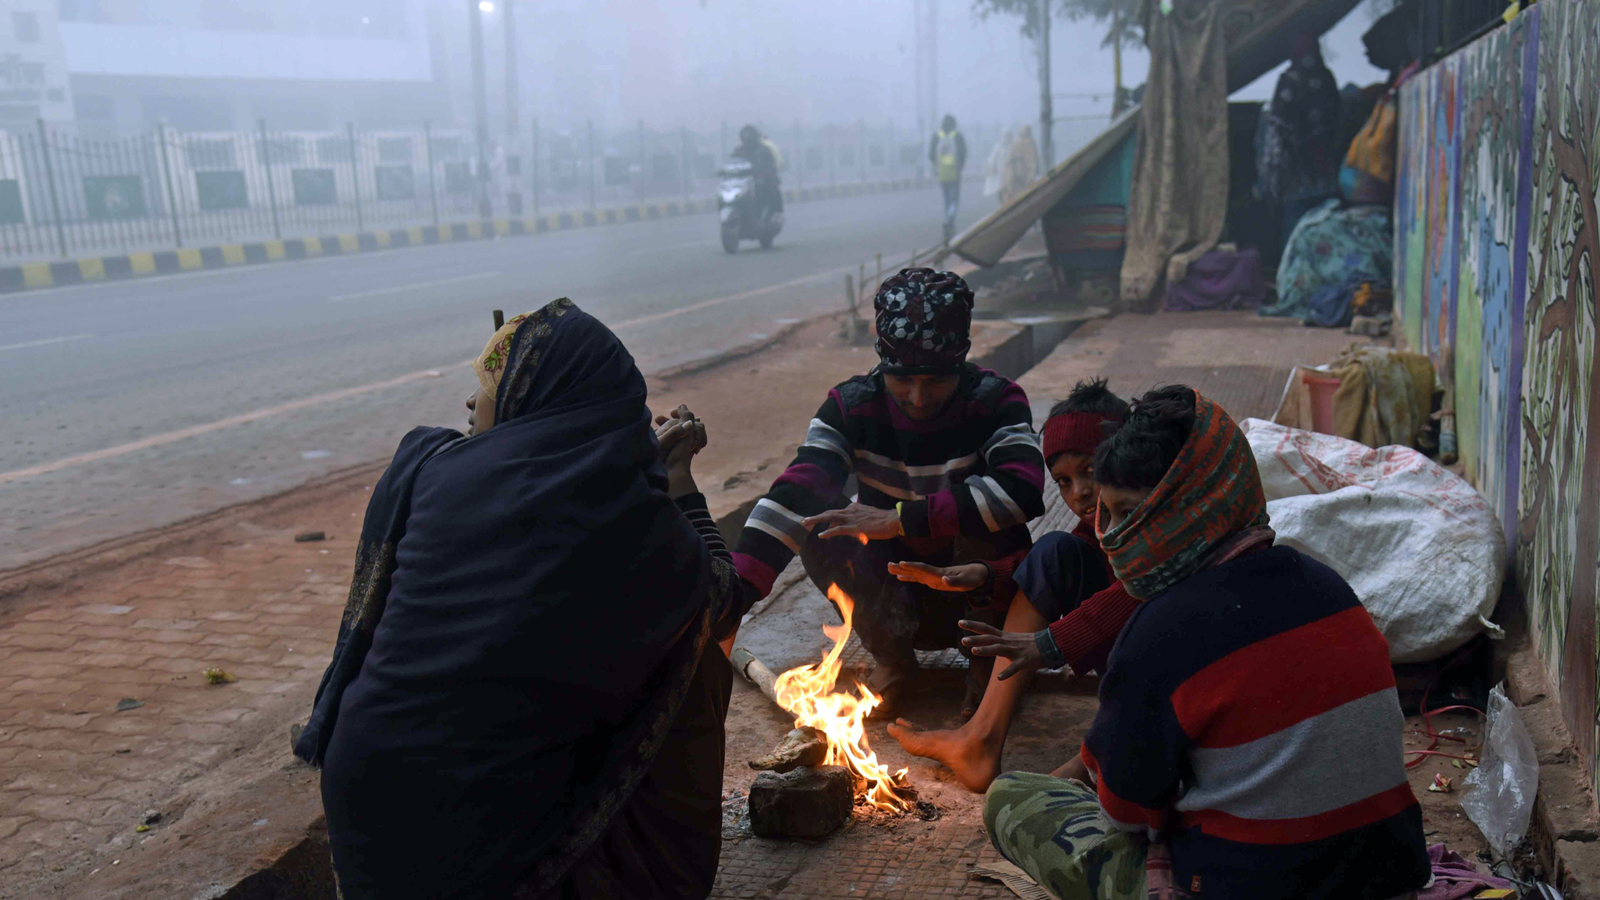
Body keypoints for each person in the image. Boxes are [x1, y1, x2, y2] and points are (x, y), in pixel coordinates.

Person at [293, 299, 757, 900]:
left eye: (486, 389)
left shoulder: (431, 465)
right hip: (471, 832)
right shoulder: (632, 523)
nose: (470, 405)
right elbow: (722, 600)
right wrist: (678, 482)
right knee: (694, 659)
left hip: (369, 807)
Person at [983, 386, 1431, 900]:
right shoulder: (1327, 584)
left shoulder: (1159, 631)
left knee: (1013, 796)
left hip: (1245, 885)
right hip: (1386, 878)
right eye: (1109, 514)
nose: (1112, 535)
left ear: (1185, 501)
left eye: (1130, 511)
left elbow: (1126, 811)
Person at [731, 267, 1046, 719]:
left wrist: (900, 519)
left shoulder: (996, 401)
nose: (918, 398)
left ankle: (985, 661)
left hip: (978, 591)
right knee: (823, 528)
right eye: (903, 379)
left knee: (991, 524)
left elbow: (1023, 490)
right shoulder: (850, 407)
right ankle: (895, 661)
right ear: (881, 363)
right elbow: (799, 490)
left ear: (961, 361)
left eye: (936, 380)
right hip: (895, 596)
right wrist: (736, 593)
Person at [889, 378, 1140, 792]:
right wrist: (987, 573)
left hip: (1175, 667)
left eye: (1091, 471)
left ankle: (1084, 770)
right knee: (1054, 550)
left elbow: (1139, 594)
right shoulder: (1099, 523)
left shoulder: (1159, 519)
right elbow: (1064, 556)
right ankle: (981, 739)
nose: (1078, 493)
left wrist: (1051, 643)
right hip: (1133, 655)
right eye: (1062, 480)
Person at [929, 114, 968, 243]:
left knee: (946, 200)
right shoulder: (957, 136)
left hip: (942, 173)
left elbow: (930, 155)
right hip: (954, 173)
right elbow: (963, 153)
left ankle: (947, 219)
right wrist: (960, 167)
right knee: (954, 200)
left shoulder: (937, 136)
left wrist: (937, 165)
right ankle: (949, 220)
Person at [731, 124, 784, 217]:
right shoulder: (739, 150)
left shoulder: (764, 148)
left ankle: (776, 213)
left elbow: (774, 163)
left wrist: (766, 173)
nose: (747, 141)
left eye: (749, 137)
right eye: (745, 138)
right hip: (744, 180)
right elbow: (733, 163)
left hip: (763, 177)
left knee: (771, 187)